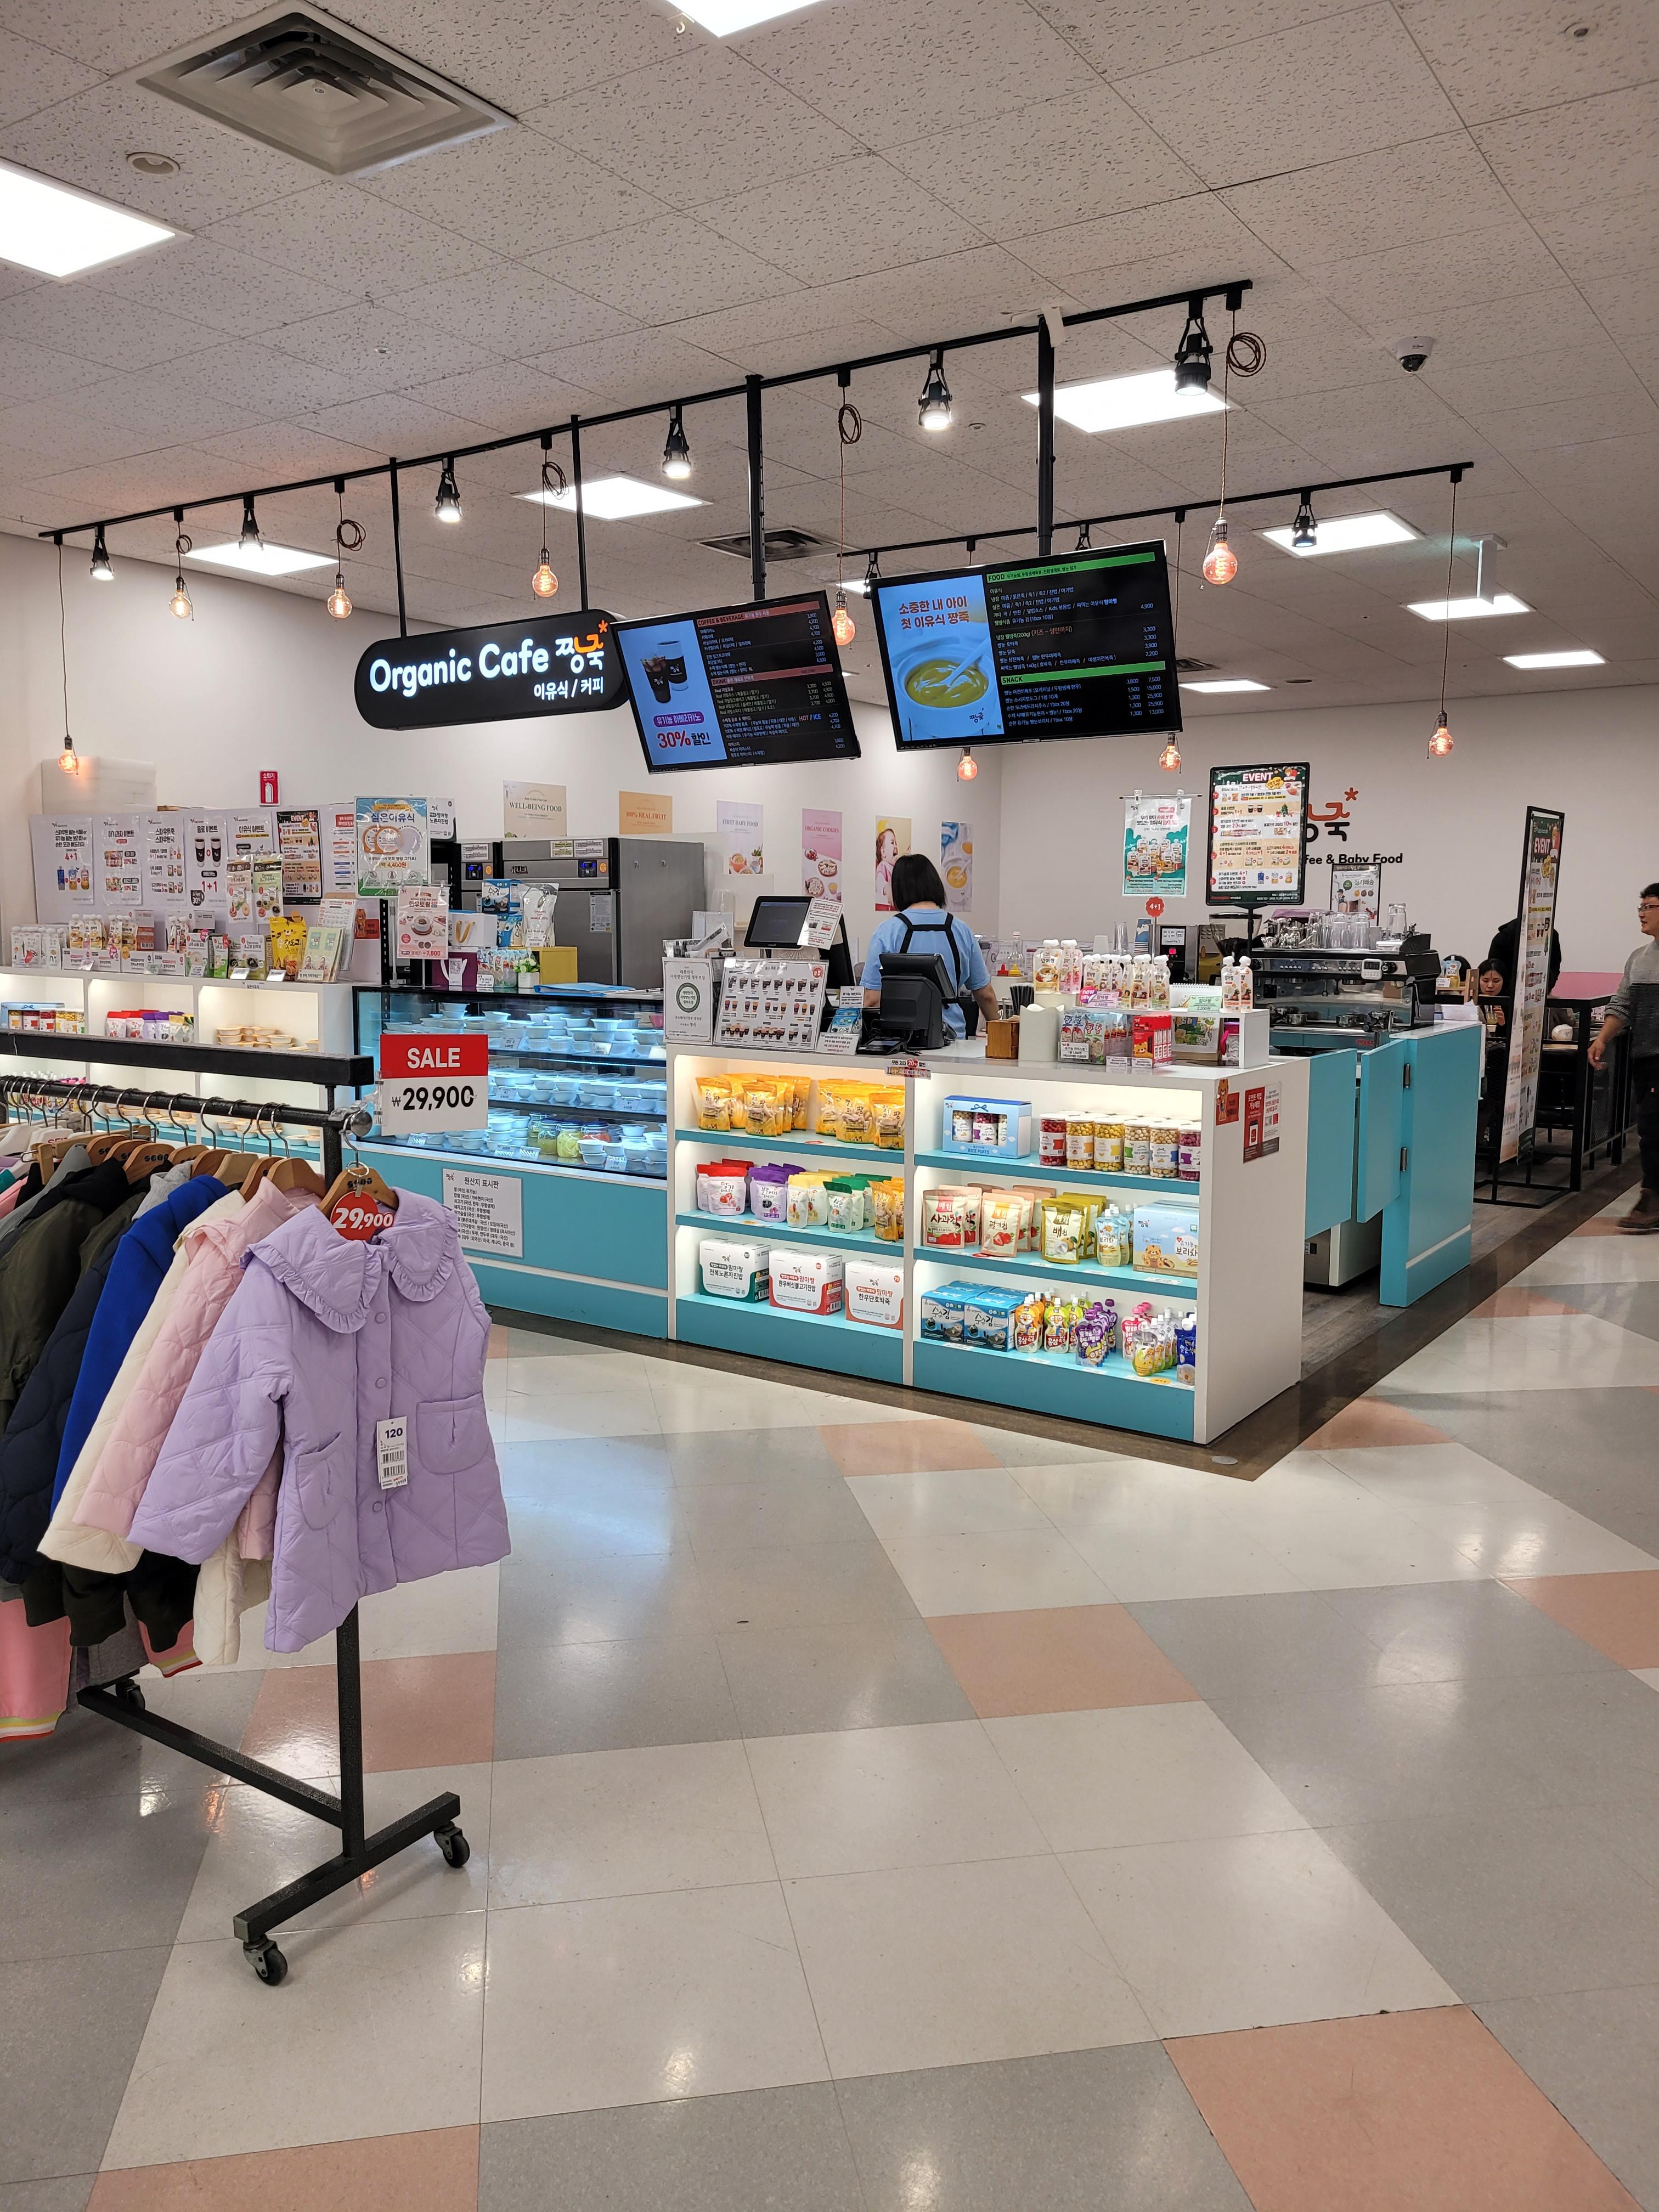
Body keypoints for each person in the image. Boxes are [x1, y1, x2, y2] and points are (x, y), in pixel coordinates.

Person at [862, 854, 999, 1040]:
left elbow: (872, 1000)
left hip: (902, 1040)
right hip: (953, 1037)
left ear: (899, 889)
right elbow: (986, 995)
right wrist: (1000, 1034)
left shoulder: (887, 931)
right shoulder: (961, 929)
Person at [1589, 883, 1659, 1232]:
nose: (1641, 914)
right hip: (1645, 1056)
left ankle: (1652, 1199)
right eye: (1640, 907)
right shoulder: (1639, 958)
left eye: (1649, 907)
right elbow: (1622, 1005)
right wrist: (1602, 1038)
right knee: (1649, 1127)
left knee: (1653, 1126)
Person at [1487, 912, 1562, 997]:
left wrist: (1547, 984)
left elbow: (1555, 966)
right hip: (1506, 996)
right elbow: (1493, 969)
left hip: (1539, 993)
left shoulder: (1551, 935)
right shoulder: (1503, 938)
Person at [874, 825, 899, 913]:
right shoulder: (883, 866)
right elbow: (880, 883)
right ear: (883, 852)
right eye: (892, 843)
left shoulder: (897, 869)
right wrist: (887, 888)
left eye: (896, 843)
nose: (896, 846)